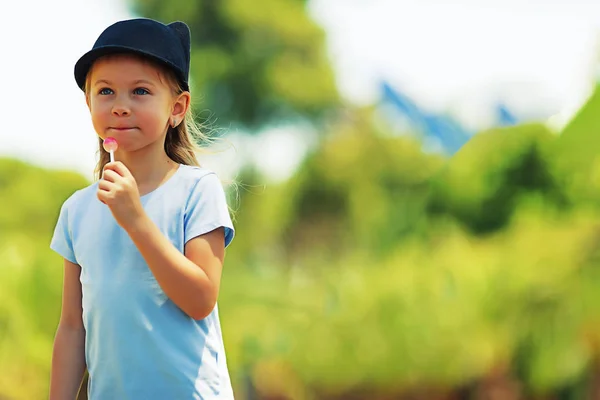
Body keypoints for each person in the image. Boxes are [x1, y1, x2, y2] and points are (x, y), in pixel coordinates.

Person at [48, 18, 236, 399]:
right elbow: (72, 327)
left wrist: (135, 218)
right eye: (105, 92)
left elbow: (200, 300)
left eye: (140, 91)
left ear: (177, 108)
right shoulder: (77, 210)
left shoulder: (197, 190)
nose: (120, 107)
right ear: (88, 103)